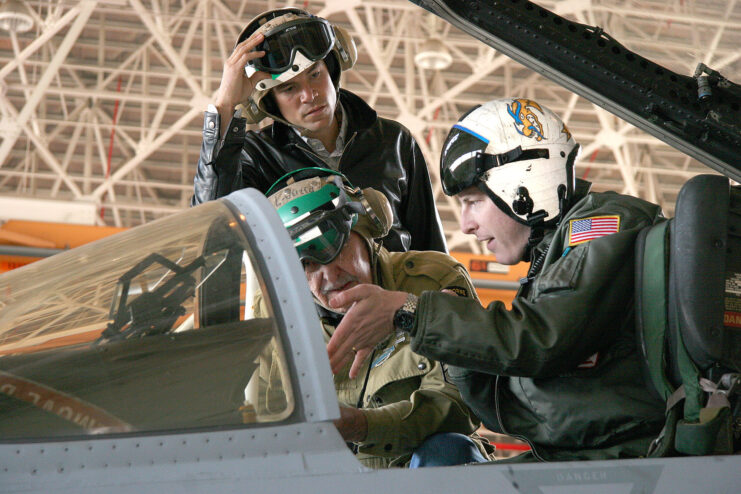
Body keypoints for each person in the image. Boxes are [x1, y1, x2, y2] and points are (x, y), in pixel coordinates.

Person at [325, 98, 668, 461]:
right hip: (583, 458)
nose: (466, 225)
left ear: (523, 185)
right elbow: (510, 408)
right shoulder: (550, 259)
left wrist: (410, 311)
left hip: (628, 459)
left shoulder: (604, 225)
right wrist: (452, 345)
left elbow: (543, 339)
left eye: (473, 201)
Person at [253, 168, 491, 469]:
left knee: (448, 450)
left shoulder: (433, 281)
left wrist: (364, 426)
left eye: (334, 248)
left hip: (413, 472)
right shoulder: (272, 315)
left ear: (366, 228)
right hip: (321, 478)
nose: (329, 276)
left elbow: (459, 404)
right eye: (307, 265)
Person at [191, 7, 446, 254]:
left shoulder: (394, 141)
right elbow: (212, 229)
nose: (309, 95)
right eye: (288, 89)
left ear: (332, 69)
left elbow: (432, 249)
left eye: (315, 74)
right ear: (270, 101)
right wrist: (224, 106)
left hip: (394, 294)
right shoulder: (256, 157)